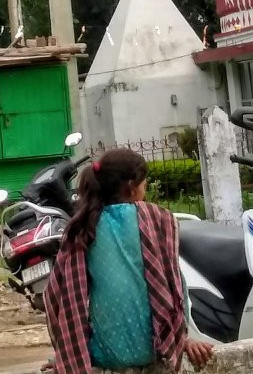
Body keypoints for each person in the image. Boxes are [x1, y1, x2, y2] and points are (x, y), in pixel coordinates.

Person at [43, 148, 214, 373]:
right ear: (132, 187)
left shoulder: (83, 227)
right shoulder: (159, 219)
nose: (145, 190)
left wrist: (64, 355)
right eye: (144, 184)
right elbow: (175, 286)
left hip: (105, 356)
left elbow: (55, 296)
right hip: (157, 348)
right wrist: (184, 338)